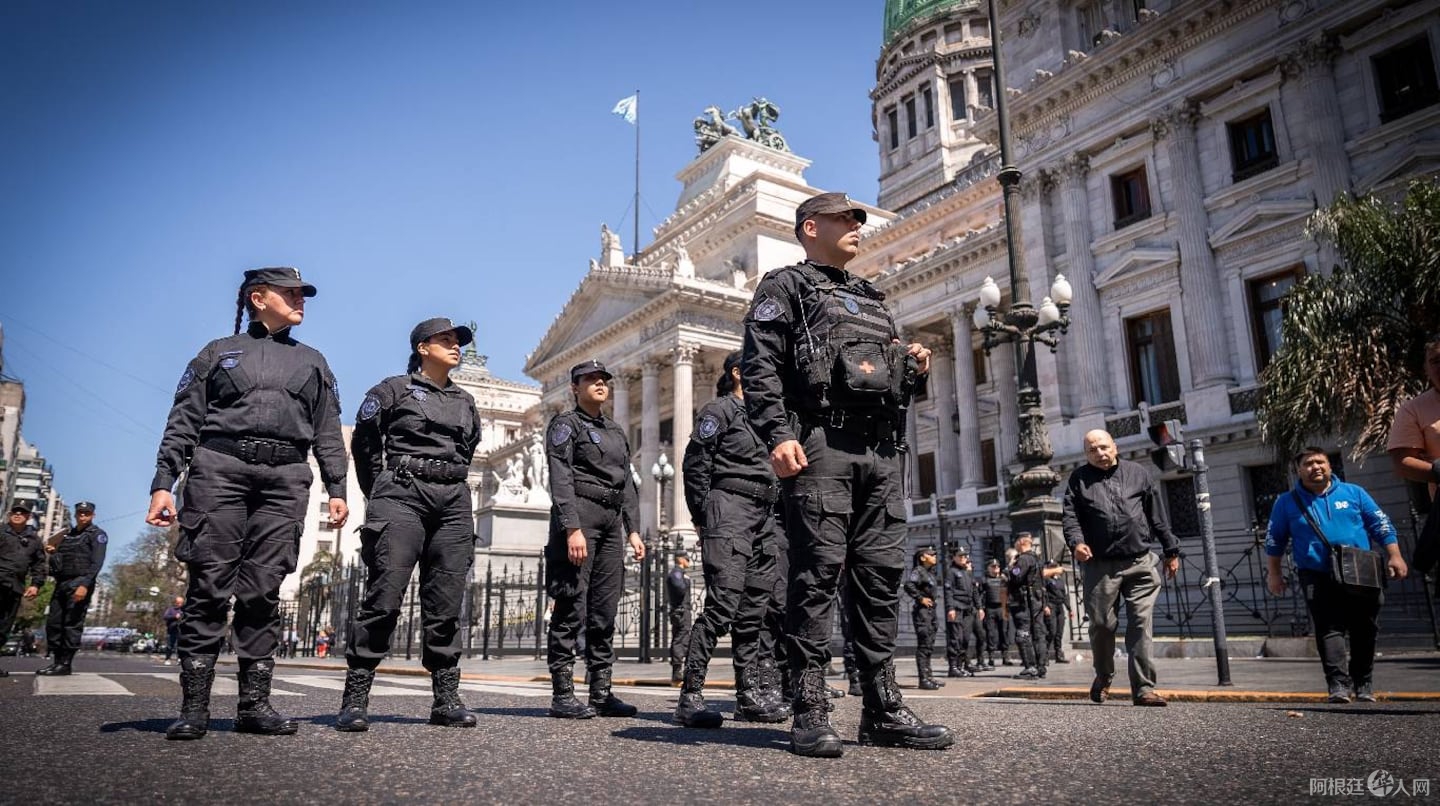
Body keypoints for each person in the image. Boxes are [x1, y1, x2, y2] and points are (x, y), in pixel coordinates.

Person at [742, 191, 951, 757]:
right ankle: (809, 707)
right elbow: (760, 368)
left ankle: (882, 708)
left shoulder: (872, 297)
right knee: (816, 576)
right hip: (821, 447)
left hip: (881, 452)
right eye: (846, 218)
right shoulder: (784, 287)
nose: (859, 225)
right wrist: (777, 435)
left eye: (860, 218)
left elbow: (883, 381)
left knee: (880, 578)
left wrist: (913, 369)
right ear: (811, 227)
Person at [146, 266, 349, 740]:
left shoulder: (314, 362)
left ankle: (254, 705)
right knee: (210, 586)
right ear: (258, 298)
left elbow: (327, 431)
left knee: (263, 589)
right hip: (219, 471)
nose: (301, 300)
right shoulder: (218, 353)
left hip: (285, 478)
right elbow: (184, 420)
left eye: (303, 294)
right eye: (291, 293)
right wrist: (163, 482)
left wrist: (337, 489)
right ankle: (194, 707)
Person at [337, 317, 484, 732]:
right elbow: (365, 445)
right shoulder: (392, 390)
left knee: (446, 601)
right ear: (422, 347)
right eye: (445, 340)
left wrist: (445, 477)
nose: (455, 346)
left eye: (458, 341)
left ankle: (446, 698)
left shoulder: (465, 401)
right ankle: (356, 695)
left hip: (453, 499)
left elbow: (468, 448)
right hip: (402, 493)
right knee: (384, 595)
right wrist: (380, 491)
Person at [672, 351, 790, 728]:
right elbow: (696, 465)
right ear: (738, 373)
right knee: (723, 605)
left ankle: (748, 695)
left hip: (764, 514)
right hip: (730, 508)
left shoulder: (771, 418)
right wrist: (703, 516)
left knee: (756, 610)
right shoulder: (719, 411)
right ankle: (690, 695)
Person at [544, 359, 645, 719]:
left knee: (605, 608)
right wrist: (571, 527)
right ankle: (563, 692)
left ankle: (601, 691)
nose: (600, 383)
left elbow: (627, 483)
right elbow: (561, 478)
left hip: (611, 521)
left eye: (604, 379)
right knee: (571, 603)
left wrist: (633, 528)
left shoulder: (617, 432)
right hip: (581, 517)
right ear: (575, 387)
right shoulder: (565, 426)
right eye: (591, 379)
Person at [1265, 447, 1407, 702]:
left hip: (1361, 573)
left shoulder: (1354, 493)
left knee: (1365, 628)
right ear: (1299, 469)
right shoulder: (1286, 502)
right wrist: (1274, 574)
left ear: (1330, 466)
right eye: (1308, 463)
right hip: (1316, 574)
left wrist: (1394, 555)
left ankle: (1363, 683)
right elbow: (1274, 540)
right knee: (1329, 629)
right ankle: (1338, 686)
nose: (1315, 467)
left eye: (1320, 462)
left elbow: (1380, 524)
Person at [1062, 429, 1180, 707]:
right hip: (1100, 566)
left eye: (1103, 447)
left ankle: (1144, 688)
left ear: (1114, 447)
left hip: (1140, 561)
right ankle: (1104, 675)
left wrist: (1170, 550)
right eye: (1092, 450)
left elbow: (1156, 516)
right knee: (1102, 625)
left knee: (1140, 624)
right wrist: (1077, 543)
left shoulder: (1138, 473)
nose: (1100, 453)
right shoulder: (1079, 479)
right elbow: (1070, 516)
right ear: (1086, 454)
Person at [1387, 333, 1440, 573]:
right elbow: (1403, 463)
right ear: (1426, 368)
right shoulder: (1413, 409)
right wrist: (1437, 470)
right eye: (1435, 361)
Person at [38, 500, 107, 676]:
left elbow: (96, 563)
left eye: (87, 513)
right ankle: (56, 662)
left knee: (72, 624)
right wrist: (53, 552)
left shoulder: (97, 535)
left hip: (79, 582)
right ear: (76, 514)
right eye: (80, 513)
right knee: (54, 623)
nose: (83, 516)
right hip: (62, 583)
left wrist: (84, 584)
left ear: (93, 515)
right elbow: (60, 561)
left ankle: (66, 663)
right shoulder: (67, 535)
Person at [1006, 533, 1062, 679]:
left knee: (1023, 634)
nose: (1015, 545)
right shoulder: (1036, 559)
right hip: (1036, 601)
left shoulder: (1023, 559)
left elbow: (1015, 577)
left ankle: (1030, 667)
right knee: (1039, 634)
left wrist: (1011, 567)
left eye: (1017, 542)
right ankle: (1041, 667)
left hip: (1024, 602)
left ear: (1022, 542)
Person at [0, 502, 46, 678]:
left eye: (22, 512)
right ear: (10, 514)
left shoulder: (33, 539)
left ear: (28, 517)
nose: (18, 514)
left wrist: (36, 584)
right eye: (15, 512)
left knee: (4, 628)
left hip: (15, 588)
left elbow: (39, 564)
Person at [902, 546, 944, 690]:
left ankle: (929, 676)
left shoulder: (929, 572)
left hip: (931, 611)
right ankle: (923, 678)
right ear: (922, 557)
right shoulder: (918, 571)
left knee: (930, 644)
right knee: (924, 644)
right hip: (922, 612)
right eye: (931, 554)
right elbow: (908, 585)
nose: (934, 556)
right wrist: (921, 598)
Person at [943, 546, 979, 677]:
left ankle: (961, 665)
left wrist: (979, 607)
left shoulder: (967, 572)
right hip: (957, 607)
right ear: (954, 558)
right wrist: (950, 608)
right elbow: (948, 592)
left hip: (968, 609)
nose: (964, 558)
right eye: (961, 556)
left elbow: (973, 591)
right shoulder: (951, 572)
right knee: (956, 639)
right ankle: (953, 667)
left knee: (965, 638)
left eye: (965, 556)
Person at [666, 551, 692, 685]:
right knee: (679, 640)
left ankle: (682, 672)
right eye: (687, 559)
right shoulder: (677, 573)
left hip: (682, 612)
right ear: (681, 560)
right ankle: (677, 674)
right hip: (680, 612)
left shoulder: (680, 574)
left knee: (684, 640)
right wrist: (686, 580)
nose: (689, 561)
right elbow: (680, 588)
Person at [979, 558, 1006, 670]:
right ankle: (991, 656)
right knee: (991, 633)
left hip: (1002, 608)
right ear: (988, 568)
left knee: (1004, 632)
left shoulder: (1003, 580)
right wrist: (980, 608)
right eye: (993, 567)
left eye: (997, 567)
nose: (996, 569)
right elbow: (980, 595)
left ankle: (1006, 656)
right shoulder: (984, 580)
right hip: (990, 608)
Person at [1043, 561, 1070, 663]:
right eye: (1052, 567)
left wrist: (1069, 608)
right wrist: (1045, 606)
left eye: (1055, 566)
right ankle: (1044, 655)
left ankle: (1058, 655)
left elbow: (1064, 595)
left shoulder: (1060, 580)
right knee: (1052, 631)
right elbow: (1043, 594)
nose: (1054, 569)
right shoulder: (1046, 580)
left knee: (1059, 632)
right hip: (1051, 606)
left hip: (1060, 607)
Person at [161, 596, 184, 665]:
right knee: (170, 645)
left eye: (181, 603)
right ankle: (167, 659)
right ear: (176, 603)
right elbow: (165, 617)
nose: (179, 604)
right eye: (178, 602)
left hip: (181, 631)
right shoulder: (171, 609)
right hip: (171, 631)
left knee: (179, 646)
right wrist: (174, 617)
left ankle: (179, 659)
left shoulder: (184, 610)